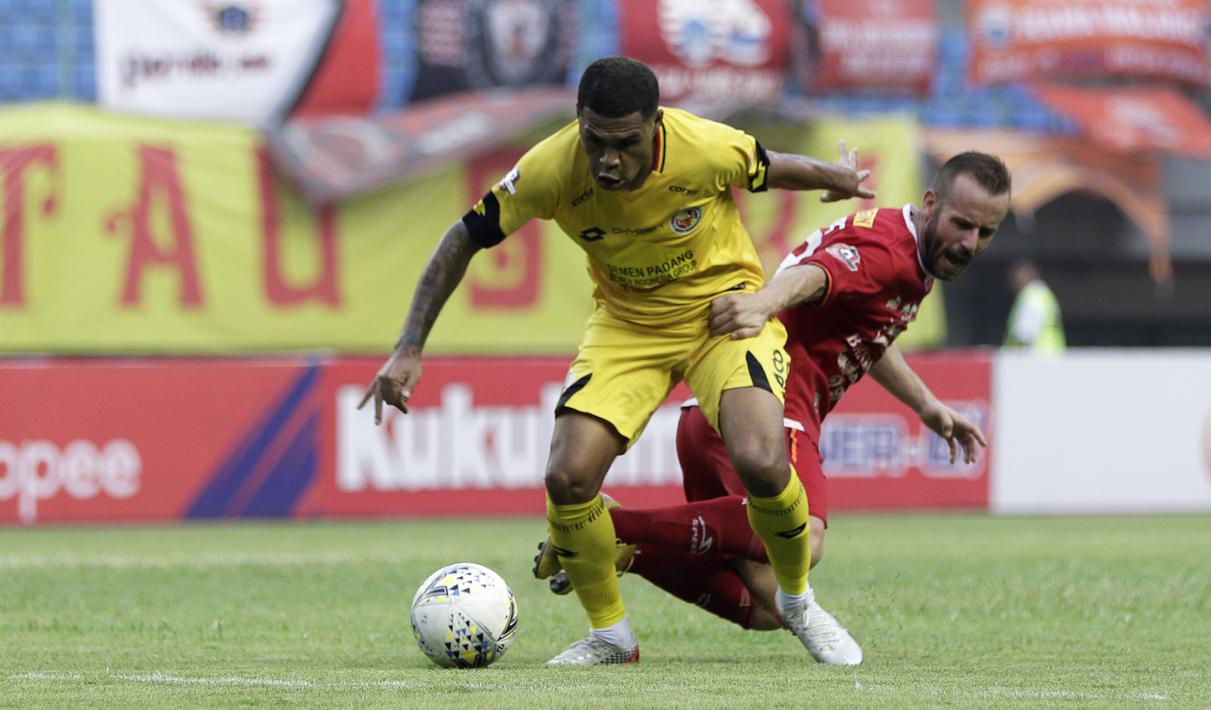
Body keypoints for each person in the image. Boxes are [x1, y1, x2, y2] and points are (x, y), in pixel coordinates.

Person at [357, 56, 874, 666]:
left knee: (761, 459)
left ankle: (797, 603)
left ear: (656, 126)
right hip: (626, 326)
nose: (607, 159)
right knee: (567, 478)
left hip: (721, 314)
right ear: (579, 122)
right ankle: (612, 636)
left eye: (625, 144)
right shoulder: (550, 168)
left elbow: (768, 166)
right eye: (594, 140)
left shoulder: (704, 146)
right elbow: (463, 237)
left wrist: (835, 178)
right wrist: (409, 346)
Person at [537, 151, 1012, 660]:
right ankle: (605, 528)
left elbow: (865, 330)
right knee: (805, 541)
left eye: (985, 232)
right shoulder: (890, 251)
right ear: (932, 202)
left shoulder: (908, 253)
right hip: (768, 406)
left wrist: (927, 406)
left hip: (715, 417)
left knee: (768, 606)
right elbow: (815, 275)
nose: (969, 244)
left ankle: (625, 550)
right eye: (962, 224)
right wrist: (761, 303)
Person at [1004, 259, 1065, 352]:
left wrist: (1015, 361)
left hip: (1034, 360)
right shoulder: (1044, 295)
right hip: (1052, 357)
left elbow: (1024, 335)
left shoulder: (1030, 297)